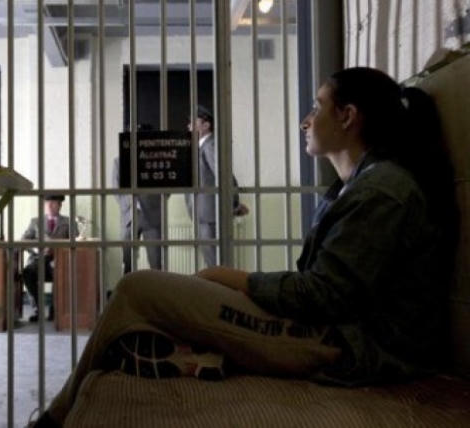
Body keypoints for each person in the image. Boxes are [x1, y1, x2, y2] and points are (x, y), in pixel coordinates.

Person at [34, 68, 458, 427]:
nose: (305, 121)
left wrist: (239, 279)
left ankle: (55, 418)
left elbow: (326, 296)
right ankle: (187, 356)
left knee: (136, 289)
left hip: (353, 347)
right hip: (339, 333)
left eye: (316, 107)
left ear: (347, 116)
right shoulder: (356, 187)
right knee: (157, 292)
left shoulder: (380, 191)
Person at [185, 104, 249, 267]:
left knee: (215, 263)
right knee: (213, 261)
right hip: (205, 213)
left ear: (206, 125)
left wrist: (233, 204)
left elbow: (224, 176)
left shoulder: (210, 145)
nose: (189, 126)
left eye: (193, 122)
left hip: (209, 215)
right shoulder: (202, 146)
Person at [113, 124, 164, 274]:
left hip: (152, 216)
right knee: (127, 262)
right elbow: (116, 189)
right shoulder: (119, 161)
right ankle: (129, 288)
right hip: (129, 216)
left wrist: (155, 202)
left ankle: (158, 289)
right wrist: (128, 204)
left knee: (156, 263)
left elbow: (166, 187)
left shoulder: (156, 160)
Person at [20, 195, 78, 323]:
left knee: (60, 272)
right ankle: (38, 309)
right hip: (39, 260)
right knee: (27, 273)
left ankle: (55, 310)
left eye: (54, 203)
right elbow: (24, 240)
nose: (50, 206)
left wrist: (59, 250)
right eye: (48, 203)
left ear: (60, 205)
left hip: (60, 260)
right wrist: (38, 248)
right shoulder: (35, 221)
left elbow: (77, 242)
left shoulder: (69, 222)